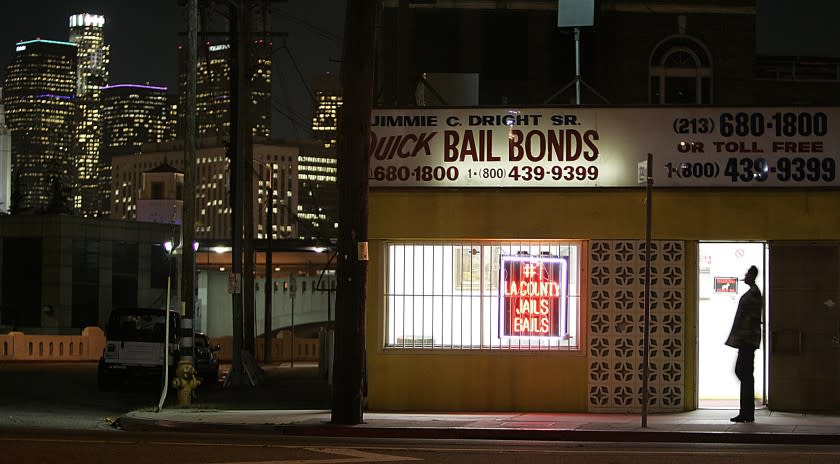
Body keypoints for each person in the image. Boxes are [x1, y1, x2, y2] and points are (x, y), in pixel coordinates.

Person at [725, 265, 763, 423]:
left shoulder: (753, 294)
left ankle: (747, 411)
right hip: (747, 340)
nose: (745, 276)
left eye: (747, 273)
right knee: (744, 373)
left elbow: (749, 318)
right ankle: (746, 411)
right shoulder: (753, 292)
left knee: (743, 372)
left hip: (747, 340)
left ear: (752, 275)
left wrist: (741, 337)